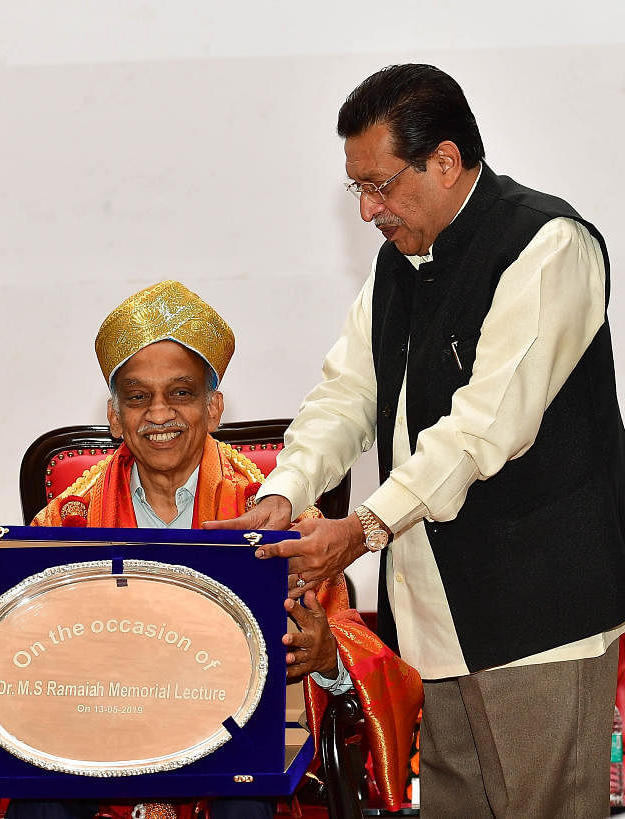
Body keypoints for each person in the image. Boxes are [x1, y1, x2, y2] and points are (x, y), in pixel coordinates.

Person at [216, 64, 625, 817]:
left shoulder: (548, 246)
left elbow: (483, 429)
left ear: (443, 160)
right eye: (357, 190)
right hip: (435, 623)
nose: (369, 209)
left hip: (537, 622)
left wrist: (362, 527)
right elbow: (347, 390)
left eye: (379, 185)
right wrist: (284, 491)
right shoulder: (401, 260)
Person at [0, 281, 422, 818]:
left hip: (231, 757)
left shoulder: (271, 513)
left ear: (213, 409)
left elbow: (349, 642)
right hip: (92, 750)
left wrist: (326, 658)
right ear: (115, 417)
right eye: (138, 397)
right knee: (39, 798)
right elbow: (13, 640)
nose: (159, 414)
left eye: (181, 394)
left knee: (247, 798)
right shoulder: (68, 518)